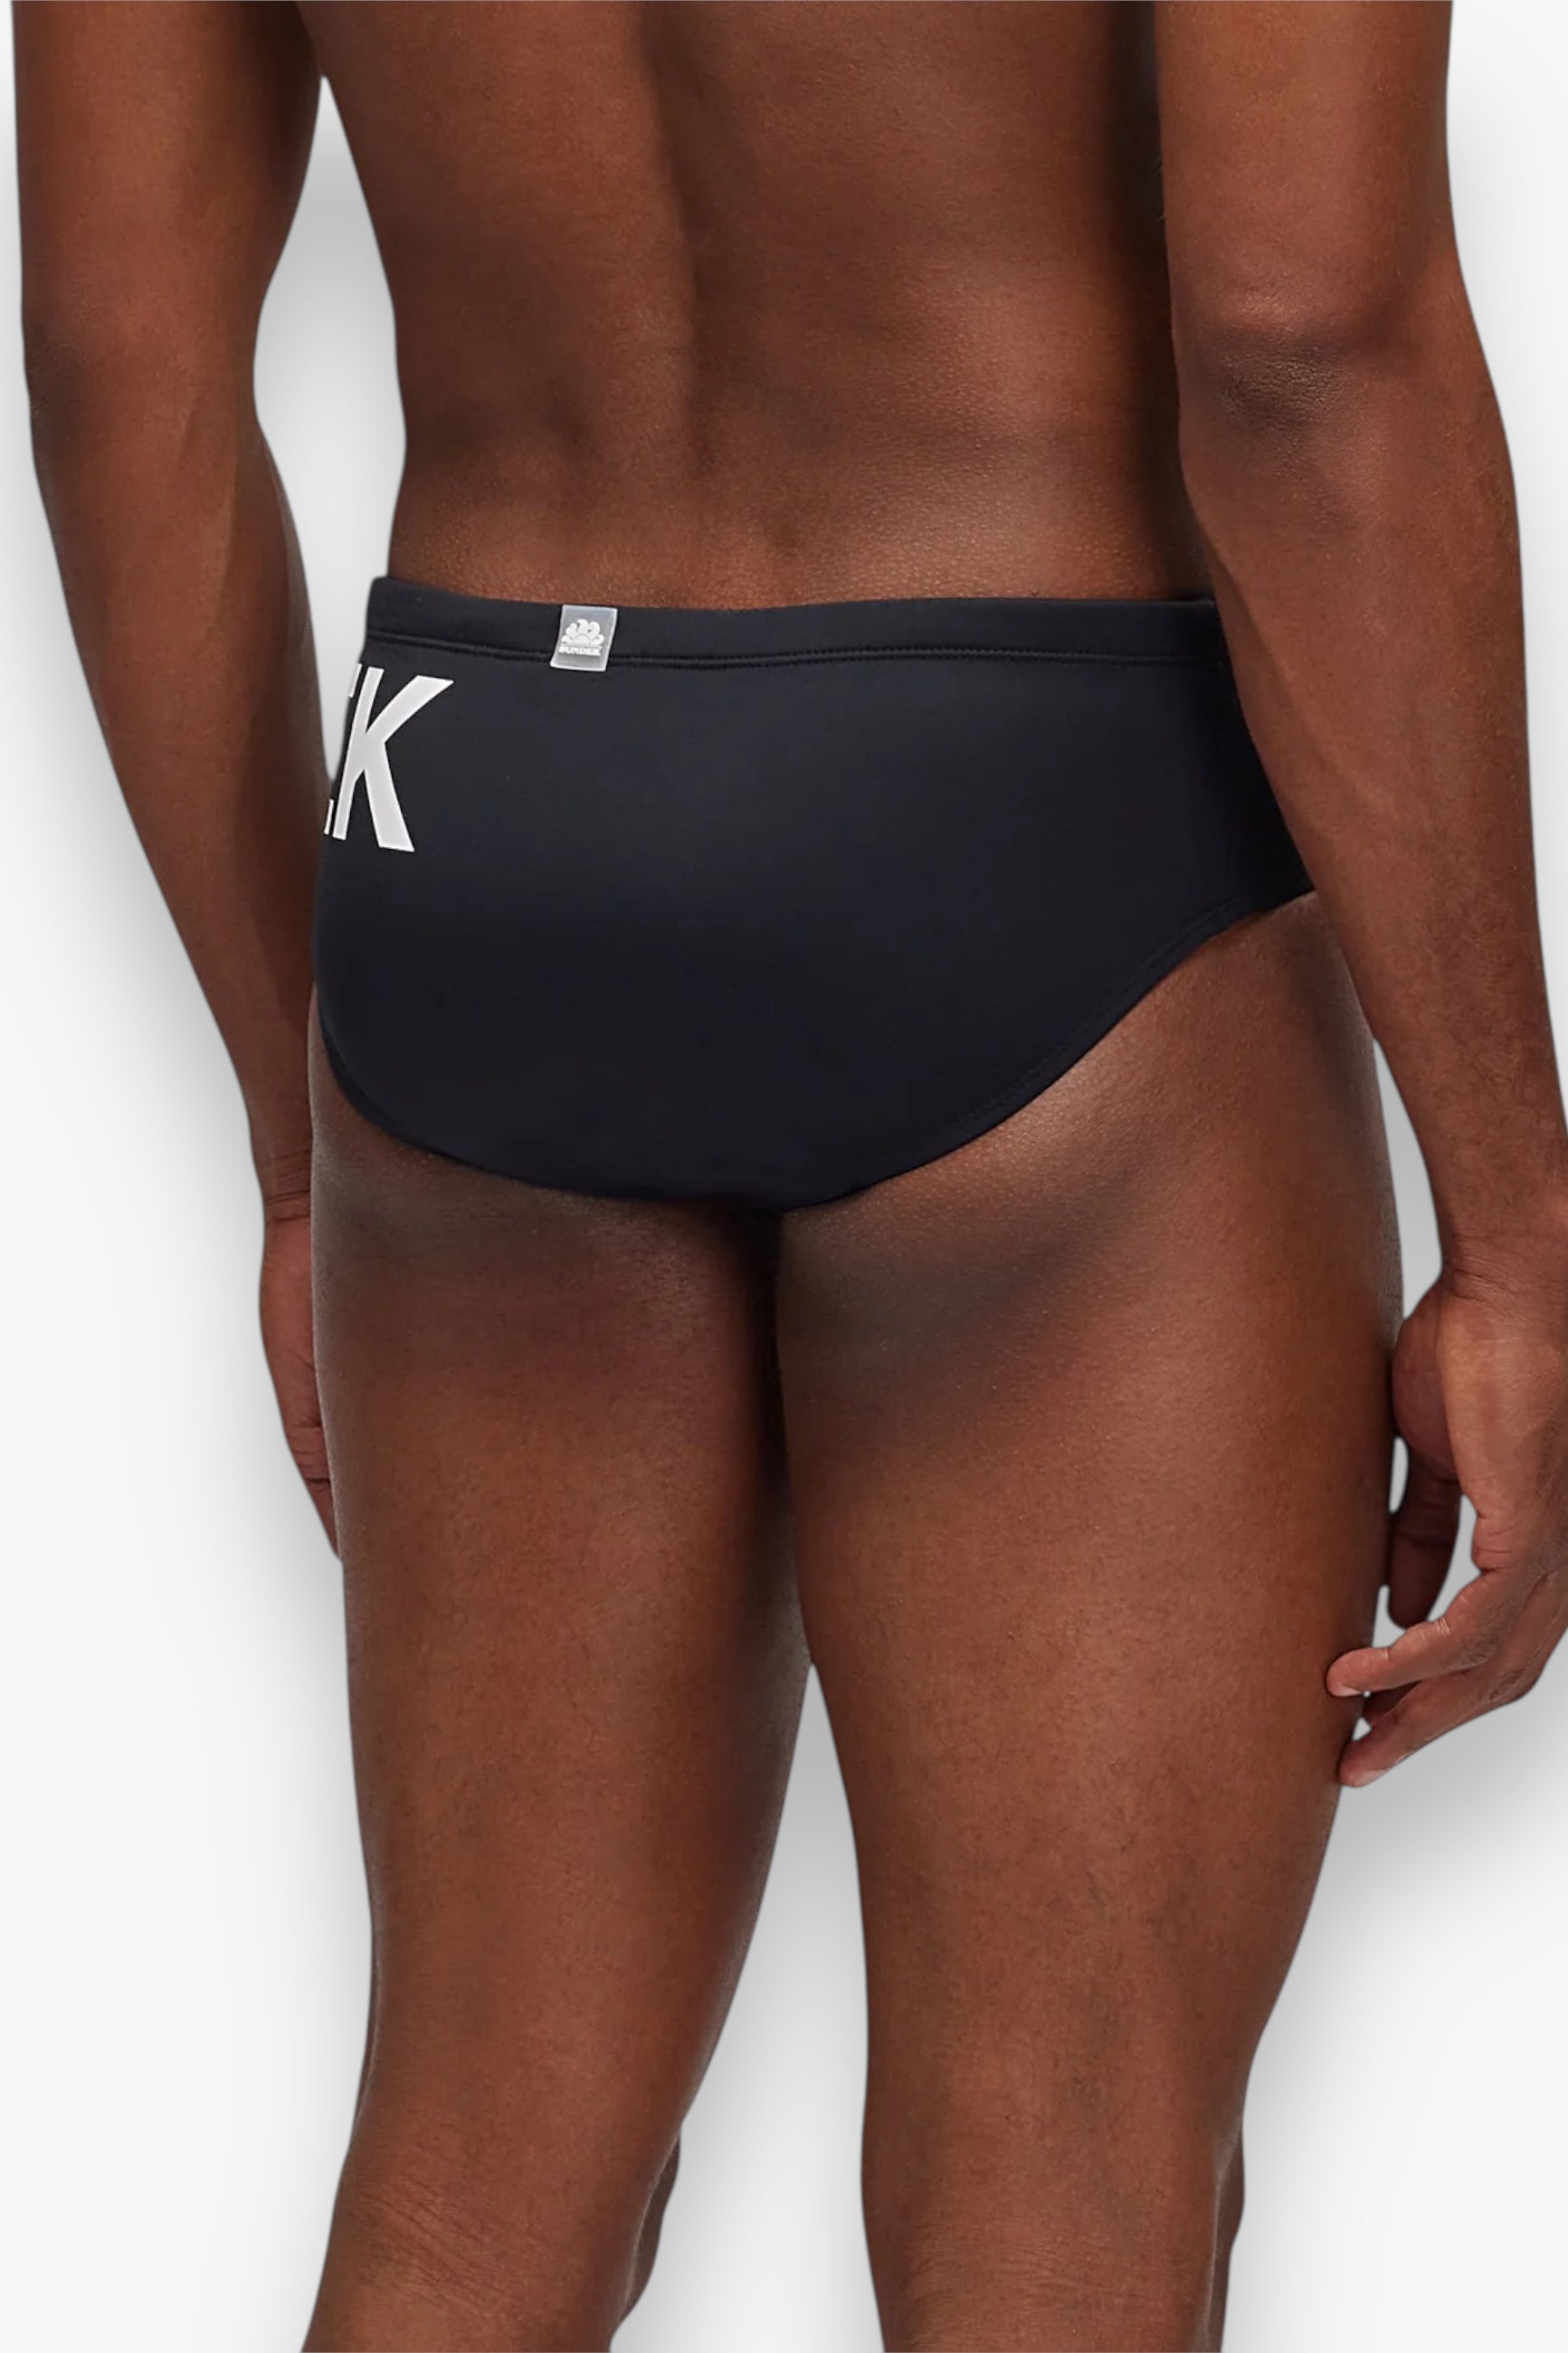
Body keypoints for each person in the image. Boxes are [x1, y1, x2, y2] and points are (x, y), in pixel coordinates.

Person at [14, 4, 1568, 2348]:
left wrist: (298, 1138)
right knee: (1063, 2179)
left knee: (471, 2186)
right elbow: (1301, 333)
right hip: (1042, 790)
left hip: (487, 803)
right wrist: (1519, 1231)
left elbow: (113, 356)